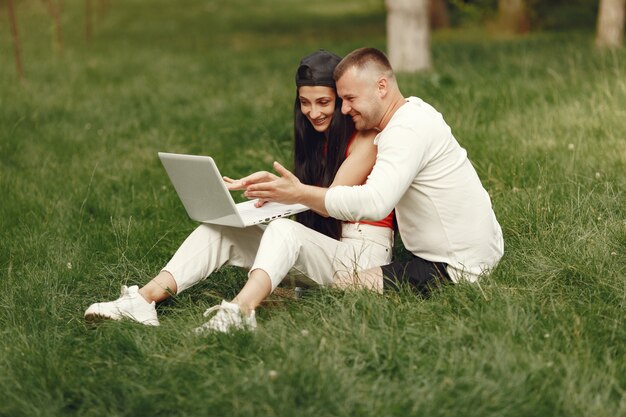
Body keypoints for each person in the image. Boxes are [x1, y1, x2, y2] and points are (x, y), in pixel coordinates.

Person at [84, 50, 394, 332]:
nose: (313, 112)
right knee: (221, 229)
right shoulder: (316, 140)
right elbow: (310, 199)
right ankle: (144, 300)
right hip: (326, 249)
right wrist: (276, 193)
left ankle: (239, 313)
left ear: (342, 100)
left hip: (362, 257)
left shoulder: (366, 139)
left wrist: (289, 193)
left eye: (323, 102)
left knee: (284, 230)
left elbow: (332, 202)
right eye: (305, 102)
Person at [239, 47, 504, 294]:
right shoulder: (413, 114)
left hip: (455, 267)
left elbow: (375, 202)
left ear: (381, 87)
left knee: (339, 286)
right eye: (341, 99)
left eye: (350, 98)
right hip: (481, 251)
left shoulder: (405, 131)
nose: (344, 109)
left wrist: (298, 194)